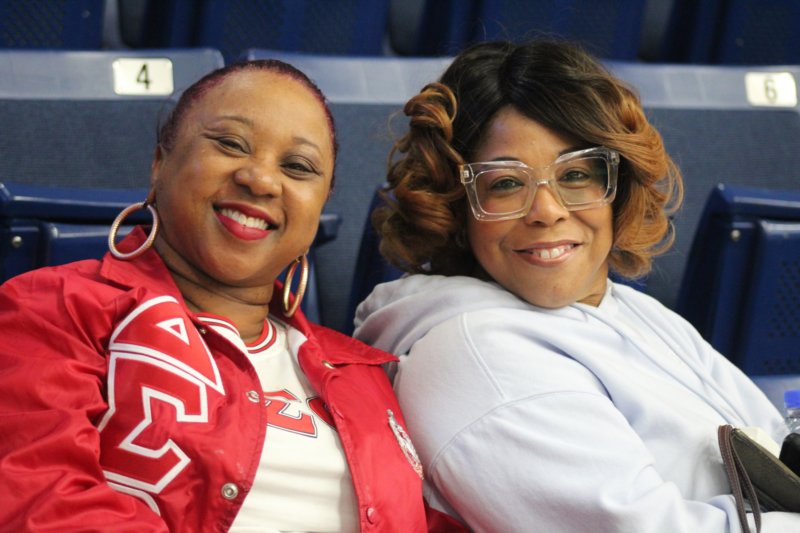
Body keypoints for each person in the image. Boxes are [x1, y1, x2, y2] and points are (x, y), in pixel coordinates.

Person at [353, 40, 800, 532]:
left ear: (618, 188)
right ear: (456, 207)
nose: (547, 211)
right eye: (505, 183)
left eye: (576, 174)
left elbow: (777, 451)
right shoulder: (477, 357)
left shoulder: (627, 308)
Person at [0, 59, 432, 532]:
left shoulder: (366, 374)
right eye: (230, 144)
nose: (261, 180)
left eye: (297, 167)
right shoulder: (53, 309)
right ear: (160, 164)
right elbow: (41, 500)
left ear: (319, 208)